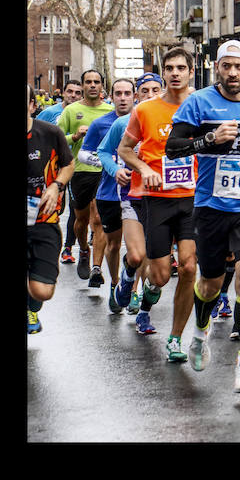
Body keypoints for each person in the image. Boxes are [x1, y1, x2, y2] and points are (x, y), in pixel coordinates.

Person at [162, 39, 240, 392]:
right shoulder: (198, 103)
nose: (232, 73)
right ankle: (199, 332)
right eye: (226, 66)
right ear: (216, 68)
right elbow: (172, 149)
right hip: (211, 206)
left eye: (238, 66)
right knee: (211, 283)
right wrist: (209, 139)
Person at [117, 48, 198, 362]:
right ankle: (147, 294)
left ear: (191, 72)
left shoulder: (202, 107)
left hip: (193, 199)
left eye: (181, 67)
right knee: (161, 275)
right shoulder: (146, 110)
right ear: (163, 72)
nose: (175, 73)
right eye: (169, 68)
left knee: (189, 266)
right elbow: (125, 149)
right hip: (158, 200)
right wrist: (145, 169)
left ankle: (176, 338)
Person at [101, 73, 163, 316]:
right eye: (144, 91)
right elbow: (105, 151)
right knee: (136, 254)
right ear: (137, 95)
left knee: (154, 259)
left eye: (155, 90)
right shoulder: (123, 123)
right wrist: (116, 169)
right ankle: (126, 281)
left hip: (163, 198)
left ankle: (141, 302)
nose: (150, 95)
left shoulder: (174, 119)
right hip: (132, 195)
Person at [79, 78, 136, 310]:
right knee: (114, 245)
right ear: (110, 96)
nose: (123, 98)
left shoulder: (142, 121)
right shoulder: (101, 124)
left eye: (127, 93)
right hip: (109, 193)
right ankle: (115, 284)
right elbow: (85, 153)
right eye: (118, 93)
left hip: (137, 194)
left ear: (134, 96)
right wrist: (108, 164)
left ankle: (132, 291)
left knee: (136, 249)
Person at [57, 70, 114, 285]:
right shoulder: (71, 111)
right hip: (79, 171)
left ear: (102, 85)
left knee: (98, 219)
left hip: (104, 171)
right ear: (82, 85)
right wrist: (76, 135)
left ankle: (96, 268)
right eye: (88, 82)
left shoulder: (110, 111)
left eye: (96, 82)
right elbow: (58, 139)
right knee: (80, 221)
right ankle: (83, 250)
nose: (92, 85)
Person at [27, 84, 75, 334]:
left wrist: (56, 186)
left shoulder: (49, 133)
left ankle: (31, 305)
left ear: (33, 106)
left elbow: (68, 165)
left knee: (42, 290)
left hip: (44, 219)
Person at [38, 79, 83, 263]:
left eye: (77, 92)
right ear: (63, 93)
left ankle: (68, 248)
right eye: (70, 91)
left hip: (76, 166)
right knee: (57, 208)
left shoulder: (82, 112)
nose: (73, 95)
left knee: (75, 208)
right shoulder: (49, 113)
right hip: (52, 169)